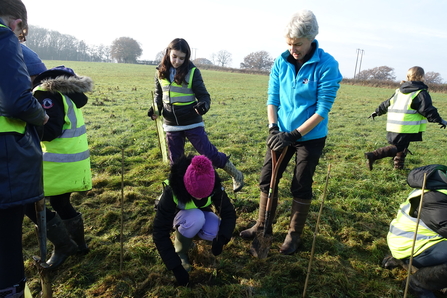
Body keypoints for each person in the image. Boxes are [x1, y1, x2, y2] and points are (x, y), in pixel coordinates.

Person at [239, 10, 342, 255]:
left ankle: (293, 236)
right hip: (281, 131)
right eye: (289, 43)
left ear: (311, 39)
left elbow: (322, 110)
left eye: (298, 44)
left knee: (300, 184)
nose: (293, 49)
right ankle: (263, 225)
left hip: (310, 136)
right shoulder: (280, 62)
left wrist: (295, 135)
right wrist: (274, 127)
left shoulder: (327, 66)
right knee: (267, 179)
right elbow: (272, 98)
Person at [147, 38, 244, 192]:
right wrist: (155, 109)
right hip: (171, 124)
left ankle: (236, 174)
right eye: (174, 56)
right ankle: (179, 192)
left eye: (181, 58)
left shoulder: (192, 72)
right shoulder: (160, 72)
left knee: (208, 153)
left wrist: (202, 106)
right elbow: (159, 96)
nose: (177, 61)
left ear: (187, 57)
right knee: (176, 163)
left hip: (192, 122)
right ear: (168, 53)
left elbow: (205, 97)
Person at [22, 64, 93, 269]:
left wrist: (26, 130)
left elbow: (50, 130)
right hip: (72, 162)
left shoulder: (44, 93)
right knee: (61, 203)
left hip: (56, 164)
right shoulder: (68, 95)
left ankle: (63, 246)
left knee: (29, 204)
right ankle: (79, 245)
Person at [0, 1, 49, 296]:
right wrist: (41, 115)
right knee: (6, 240)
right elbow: (17, 101)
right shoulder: (4, 36)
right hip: (6, 160)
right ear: (18, 24)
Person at [153, 155, 236, 286]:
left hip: (200, 214)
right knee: (196, 217)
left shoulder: (213, 182)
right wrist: (176, 267)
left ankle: (191, 238)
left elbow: (228, 213)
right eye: (194, 195)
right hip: (180, 216)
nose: (199, 199)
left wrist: (222, 239)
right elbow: (159, 231)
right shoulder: (172, 190)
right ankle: (181, 251)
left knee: (216, 229)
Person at [365, 66, 447, 170]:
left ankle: (398, 167)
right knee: (398, 147)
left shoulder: (399, 91)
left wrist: (376, 112)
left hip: (394, 124)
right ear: (421, 77)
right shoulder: (420, 92)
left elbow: (386, 103)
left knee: (402, 146)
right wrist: (440, 120)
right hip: (407, 126)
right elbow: (427, 110)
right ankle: (373, 155)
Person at [383, 164, 447, 298]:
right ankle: (418, 283)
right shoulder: (435, 196)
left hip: (418, 239)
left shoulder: (439, 184)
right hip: (410, 244)